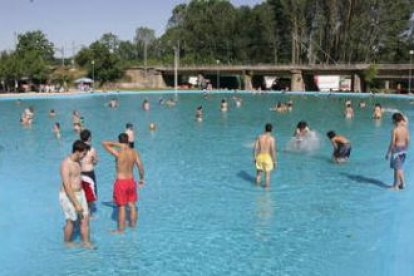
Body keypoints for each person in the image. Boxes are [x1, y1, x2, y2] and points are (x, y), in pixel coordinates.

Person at [102, 133, 145, 233]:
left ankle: (120, 230)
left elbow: (104, 143)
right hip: (131, 181)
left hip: (121, 182)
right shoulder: (134, 152)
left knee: (121, 206)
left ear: (119, 141)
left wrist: (119, 145)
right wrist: (142, 178)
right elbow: (140, 166)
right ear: (128, 141)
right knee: (132, 204)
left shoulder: (118, 153)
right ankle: (133, 226)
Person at [59, 140, 93, 248]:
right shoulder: (66, 164)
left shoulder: (78, 161)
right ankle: (67, 243)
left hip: (80, 193)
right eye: (83, 153)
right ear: (77, 151)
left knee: (85, 219)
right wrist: (76, 203)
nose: (84, 156)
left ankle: (86, 243)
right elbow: (67, 186)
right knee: (71, 222)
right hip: (68, 195)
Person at [385, 113, 409, 190]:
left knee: (396, 169)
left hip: (396, 149)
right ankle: (403, 183)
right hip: (404, 149)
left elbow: (392, 143)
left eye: (392, 120)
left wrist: (388, 153)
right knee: (400, 167)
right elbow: (408, 140)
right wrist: (406, 148)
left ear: (395, 120)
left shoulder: (394, 130)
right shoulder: (405, 129)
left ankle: (395, 186)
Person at [80, 129, 98, 211]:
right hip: (89, 172)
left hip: (80, 173)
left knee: (82, 192)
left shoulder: (78, 149)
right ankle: (89, 213)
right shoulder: (92, 149)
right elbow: (95, 161)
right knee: (90, 194)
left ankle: (83, 211)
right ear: (89, 138)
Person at [254, 123, 277, 188]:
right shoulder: (272, 139)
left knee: (258, 174)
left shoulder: (259, 137)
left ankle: (256, 187)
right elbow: (273, 150)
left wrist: (254, 157)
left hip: (259, 156)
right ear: (271, 130)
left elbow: (255, 148)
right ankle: (267, 191)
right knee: (267, 176)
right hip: (267, 158)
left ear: (264, 129)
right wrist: (275, 161)